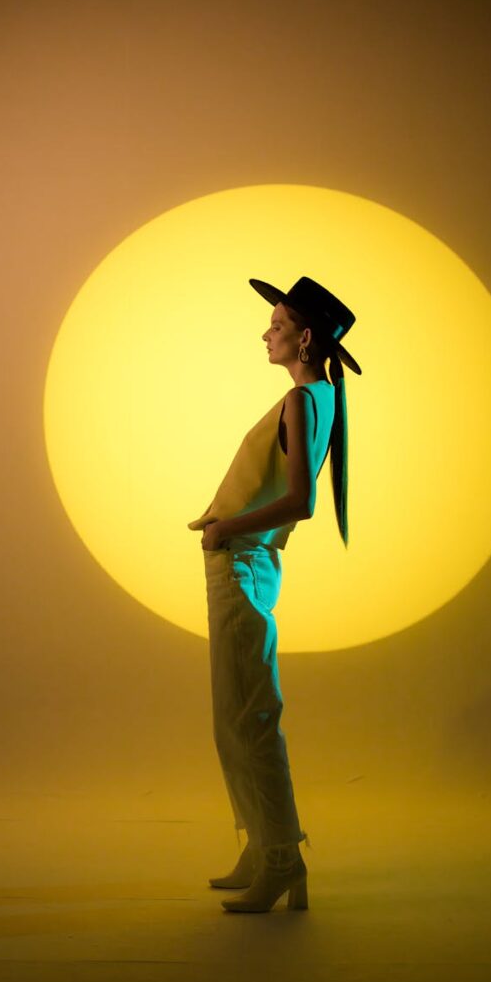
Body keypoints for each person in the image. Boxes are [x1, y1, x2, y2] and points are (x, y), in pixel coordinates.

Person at [187, 276, 362, 912]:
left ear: (305, 338)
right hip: (242, 562)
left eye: (278, 325)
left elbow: (301, 504)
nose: (267, 333)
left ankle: (282, 858)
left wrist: (222, 529)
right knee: (235, 718)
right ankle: (265, 846)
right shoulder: (315, 398)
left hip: (241, 562)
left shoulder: (301, 401)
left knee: (250, 719)